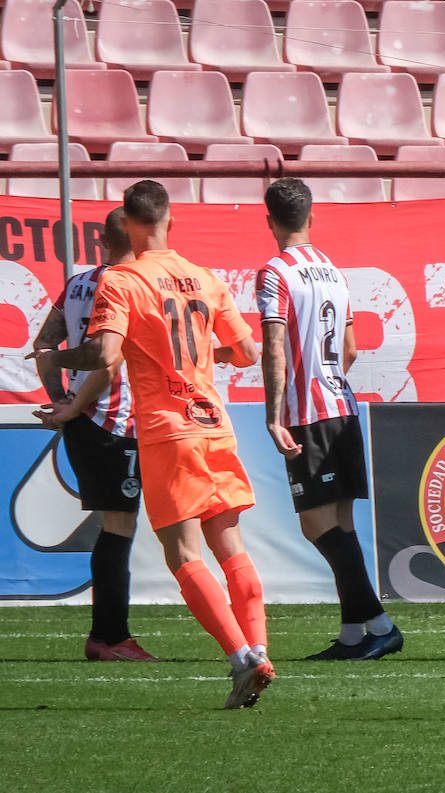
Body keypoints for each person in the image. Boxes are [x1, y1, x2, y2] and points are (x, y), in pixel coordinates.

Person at [31, 181, 273, 708]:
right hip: (214, 424)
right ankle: (259, 647)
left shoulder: (121, 280)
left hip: (167, 430)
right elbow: (248, 351)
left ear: (128, 223)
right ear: (169, 221)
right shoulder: (206, 278)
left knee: (182, 552)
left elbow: (104, 355)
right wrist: (202, 358)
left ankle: (240, 658)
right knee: (230, 544)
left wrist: (56, 361)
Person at [256, 178, 402, 661]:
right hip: (343, 405)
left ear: (271, 219)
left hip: (308, 413)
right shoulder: (333, 271)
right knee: (340, 524)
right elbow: (353, 347)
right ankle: (353, 635)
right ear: (311, 217)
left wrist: (274, 413)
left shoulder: (275, 273)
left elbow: (275, 346)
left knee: (317, 526)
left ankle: (380, 625)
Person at [30, 208, 156, 662]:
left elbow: (44, 345)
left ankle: (109, 634)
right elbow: (111, 359)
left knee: (116, 523)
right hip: (114, 419)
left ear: (101, 238)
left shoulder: (79, 282)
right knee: (119, 525)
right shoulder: (130, 283)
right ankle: (109, 637)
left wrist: (62, 402)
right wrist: (76, 406)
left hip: (86, 418)